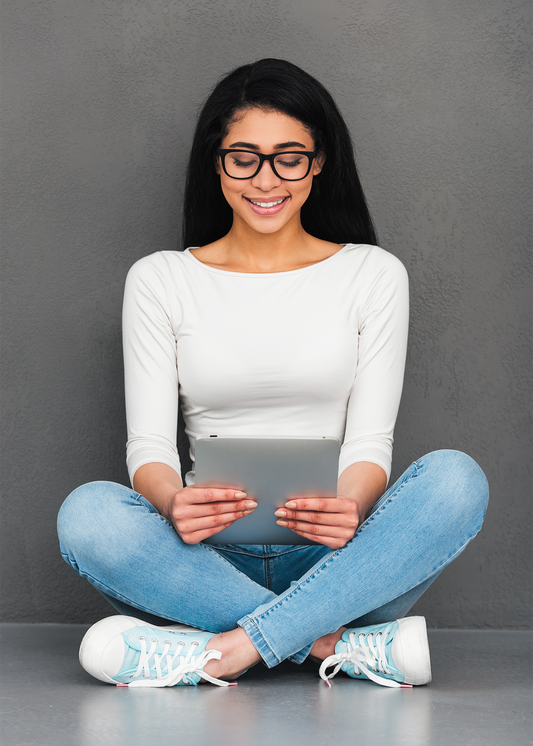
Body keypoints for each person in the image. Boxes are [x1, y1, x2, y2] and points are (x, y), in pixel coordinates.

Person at [57, 58, 489, 689]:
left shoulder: (372, 273)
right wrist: (174, 503)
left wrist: (351, 506)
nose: (266, 179)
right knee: (87, 515)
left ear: (319, 163)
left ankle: (223, 651)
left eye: (289, 157)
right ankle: (328, 645)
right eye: (244, 157)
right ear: (217, 162)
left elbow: (371, 443)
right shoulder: (161, 279)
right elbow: (148, 446)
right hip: (201, 562)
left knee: (456, 480)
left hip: (339, 563)